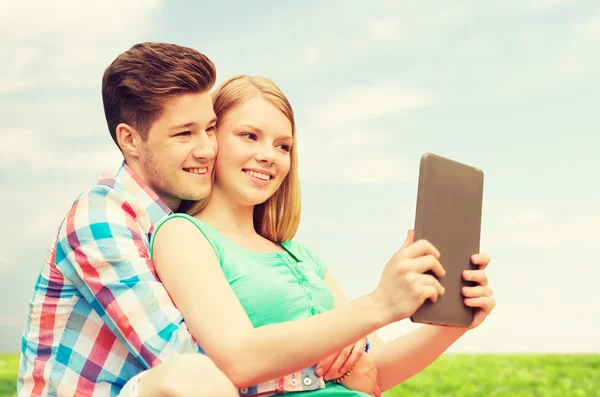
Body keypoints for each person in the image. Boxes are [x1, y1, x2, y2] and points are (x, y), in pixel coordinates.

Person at [150, 75, 496, 396]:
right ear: (212, 140)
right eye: (249, 136)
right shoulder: (183, 234)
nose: (268, 156)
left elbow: (374, 373)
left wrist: (456, 323)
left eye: (283, 146)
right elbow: (239, 359)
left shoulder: (300, 256)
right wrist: (379, 303)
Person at [17, 42, 238, 397]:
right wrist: (316, 366)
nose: (207, 149)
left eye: (210, 129)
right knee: (189, 376)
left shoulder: (193, 219)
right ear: (130, 140)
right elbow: (180, 354)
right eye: (184, 133)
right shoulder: (101, 216)